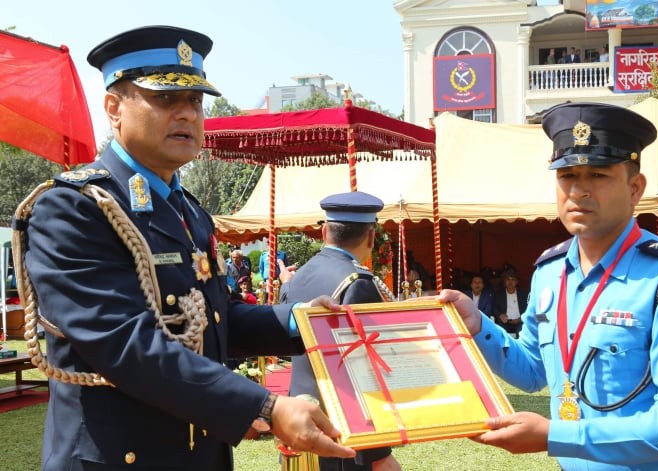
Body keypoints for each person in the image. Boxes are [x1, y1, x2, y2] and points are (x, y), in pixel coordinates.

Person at [18, 26, 354, 470]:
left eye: (195, 101)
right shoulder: (73, 208)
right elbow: (124, 344)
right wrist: (266, 407)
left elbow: (216, 317)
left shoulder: (188, 210)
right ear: (114, 108)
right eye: (164, 99)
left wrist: (304, 321)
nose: (188, 115)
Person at [438, 102, 658, 469]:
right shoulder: (550, 270)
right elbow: (532, 372)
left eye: (599, 175)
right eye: (566, 175)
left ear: (635, 188)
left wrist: (554, 436)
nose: (578, 190)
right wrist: (479, 327)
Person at [279, 191, 401, 471]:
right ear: (371, 237)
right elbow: (360, 374)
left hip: (297, 418)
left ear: (324, 231)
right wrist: (378, 453)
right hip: (341, 432)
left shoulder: (299, 275)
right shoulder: (358, 283)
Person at [493, 269, 528, 338]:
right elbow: (494, 308)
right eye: (508, 279)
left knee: (522, 334)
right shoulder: (498, 294)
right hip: (504, 322)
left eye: (513, 280)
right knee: (500, 333)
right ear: (504, 282)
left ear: (517, 282)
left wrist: (521, 319)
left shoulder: (524, 294)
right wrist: (500, 315)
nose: (510, 282)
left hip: (520, 322)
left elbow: (529, 308)